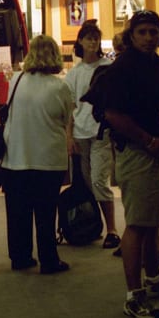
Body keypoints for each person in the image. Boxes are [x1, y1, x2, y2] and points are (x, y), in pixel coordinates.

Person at [100, 10, 159, 318]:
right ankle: (134, 295)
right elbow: (114, 115)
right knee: (137, 224)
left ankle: (153, 277)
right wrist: (148, 140)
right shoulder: (124, 68)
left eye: (153, 32)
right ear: (132, 35)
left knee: (153, 220)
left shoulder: (158, 66)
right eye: (142, 32)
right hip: (138, 152)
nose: (149, 38)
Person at [1, 35, 75, 274]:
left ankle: (20, 256)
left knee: (17, 212)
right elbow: (66, 118)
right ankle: (48, 259)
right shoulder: (60, 86)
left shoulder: (16, 80)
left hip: (15, 157)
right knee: (46, 212)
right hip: (48, 159)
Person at [64, 19, 120, 250]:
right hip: (80, 133)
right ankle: (92, 223)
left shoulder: (107, 68)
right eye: (89, 38)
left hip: (100, 132)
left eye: (96, 38)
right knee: (87, 182)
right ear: (81, 41)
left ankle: (113, 229)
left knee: (98, 179)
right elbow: (70, 108)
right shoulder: (74, 73)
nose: (93, 42)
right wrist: (68, 136)